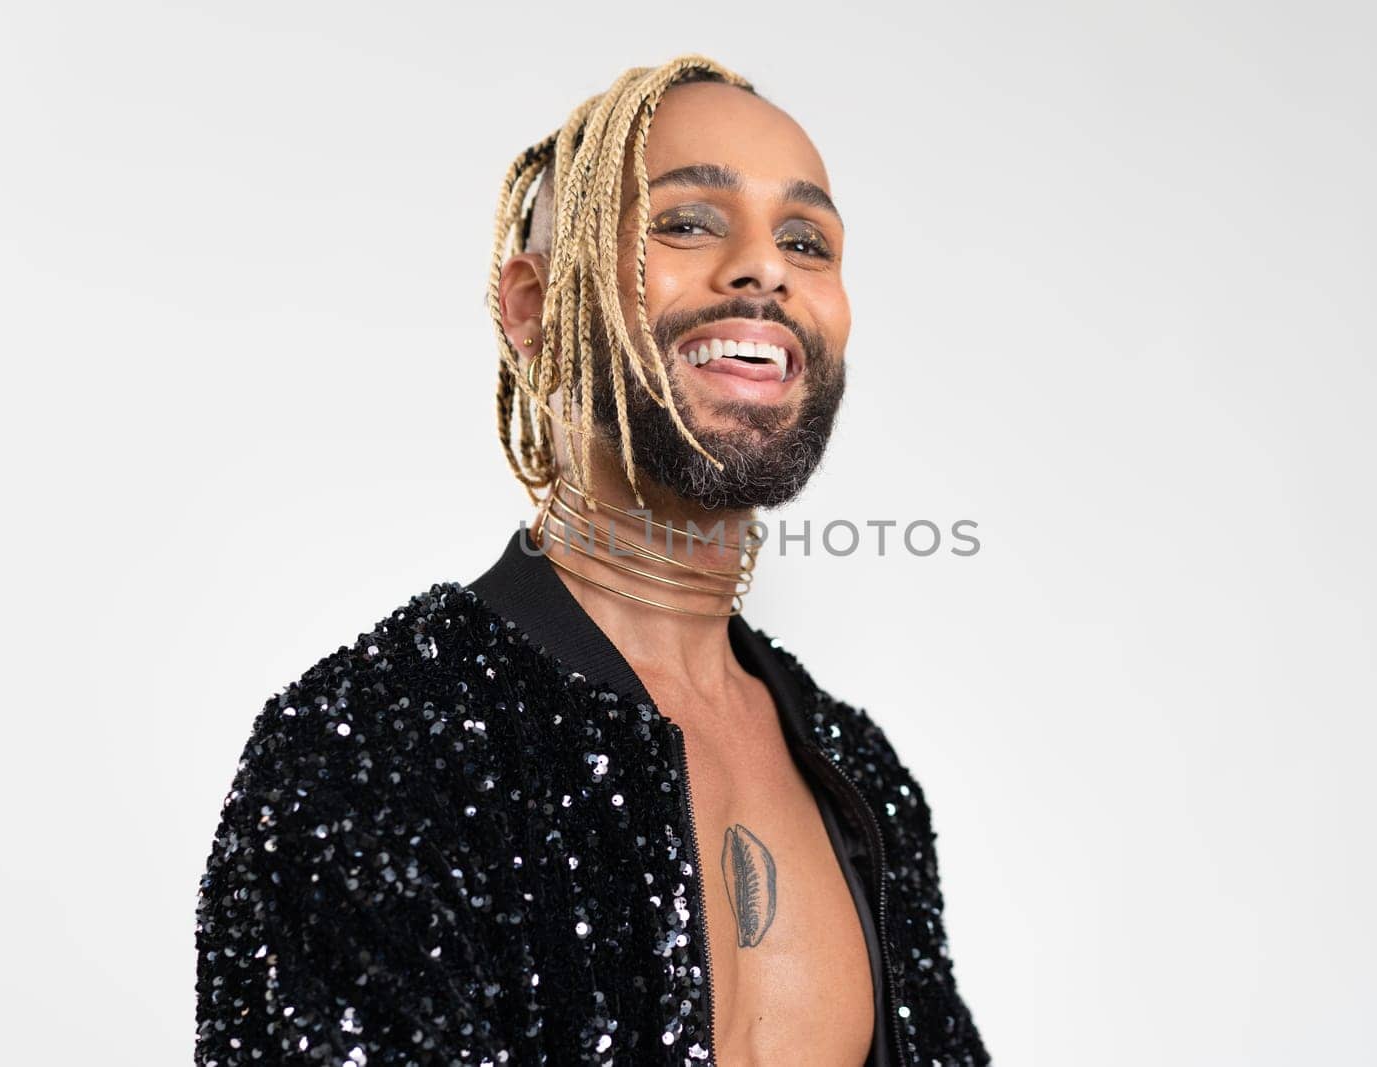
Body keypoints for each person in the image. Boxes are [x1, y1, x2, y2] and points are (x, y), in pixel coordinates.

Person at [196, 55, 989, 1066]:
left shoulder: (865, 779)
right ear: (533, 309)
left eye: (806, 240)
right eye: (687, 222)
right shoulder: (378, 747)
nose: (765, 268)